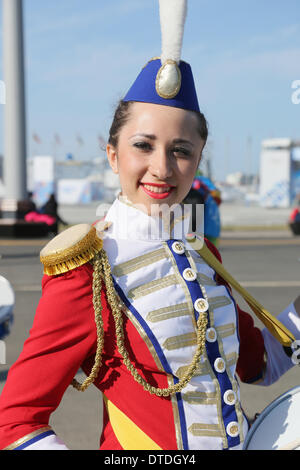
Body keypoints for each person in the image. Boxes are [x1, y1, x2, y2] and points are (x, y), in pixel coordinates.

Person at [0, 0, 299, 451]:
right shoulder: (88, 271)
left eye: (181, 150)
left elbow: (257, 365)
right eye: (143, 145)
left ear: (198, 158)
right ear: (113, 154)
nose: (161, 168)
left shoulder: (201, 252)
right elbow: (15, 420)